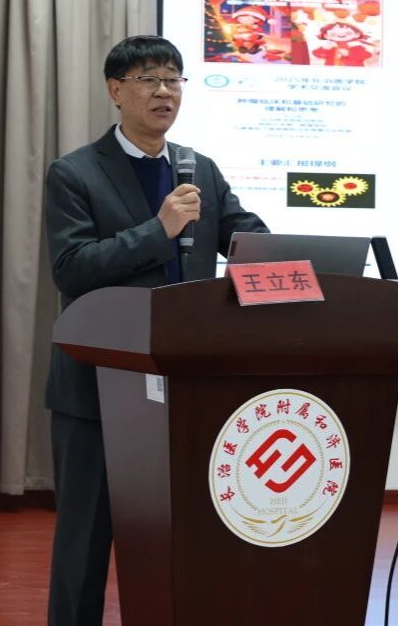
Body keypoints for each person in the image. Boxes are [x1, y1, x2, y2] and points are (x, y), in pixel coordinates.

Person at [44, 35, 268, 625]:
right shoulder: (75, 173)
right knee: (85, 538)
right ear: (116, 90)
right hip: (98, 385)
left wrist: (301, 258)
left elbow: (247, 241)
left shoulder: (199, 169)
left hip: (185, 385)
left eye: (173, 79)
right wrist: (157, 230)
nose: (164, 91)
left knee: (185, 534)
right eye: (149, 79)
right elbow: (72, 269)